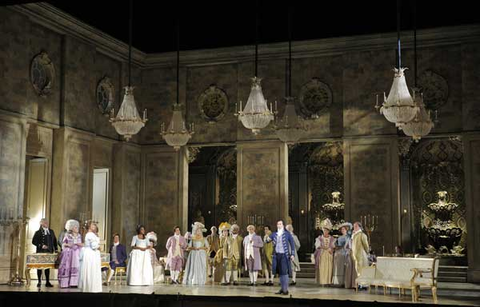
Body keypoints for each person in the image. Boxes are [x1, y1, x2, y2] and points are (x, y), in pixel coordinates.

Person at [268, 219, 295, 295]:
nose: (279, 225)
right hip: (276, 256)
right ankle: (282, 288)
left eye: (280, 224)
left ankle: (285, 290)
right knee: (280, 273)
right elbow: (266, 240)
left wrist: (292, 254)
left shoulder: (287, 234)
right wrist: (268, 238)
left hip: (284, 255)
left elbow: (292, 244)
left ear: (283, 225)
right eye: (278, 224)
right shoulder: (274, 234)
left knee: (284, 273)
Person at [32, 218, 57, 287]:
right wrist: (41, 245)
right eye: (45, 222)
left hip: (49, 252)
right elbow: (33, 241)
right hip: (41, 251)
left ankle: (47, 282)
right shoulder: (38, 232)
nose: (46, 223)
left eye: (47, 222)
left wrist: (56, 249)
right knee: (39, 267)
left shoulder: (51, 231)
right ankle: (39, 281)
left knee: (47, 267)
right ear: (41, 223)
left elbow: (54, 241)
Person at [58, 219, 83, 288]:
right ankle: (66, 283)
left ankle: (75, 283)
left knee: (77, 267)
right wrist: (69, 245)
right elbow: (63, 244)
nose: (77, 229)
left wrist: (79, 244)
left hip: (77, 253)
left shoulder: (79, 236)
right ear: (71, 228)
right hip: (69, 253)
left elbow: (81, 243)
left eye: (77, 227)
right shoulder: (67, 235)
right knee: (68, 267)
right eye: (75, 227)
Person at [79, 222, 102, 292]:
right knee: (91, 269)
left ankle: (91, 287)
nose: (94, 226)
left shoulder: (91, 234)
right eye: (93, 225)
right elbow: (94, 246)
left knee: (92, 270)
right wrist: (98, 247)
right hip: (91, 254)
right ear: (89, 227)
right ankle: (91, 287)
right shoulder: (90, 234)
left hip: (91, 253)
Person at [314, 218, 336, 286]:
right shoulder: (319, 238)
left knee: (329, 268)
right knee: (322, 268)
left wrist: (331, 249)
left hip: (329, 255)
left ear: (328, 231)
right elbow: (318, 246)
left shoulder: (332, 238)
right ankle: (322, 281)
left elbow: (334, 246)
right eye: (324, 230)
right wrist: (324, 247)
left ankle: (328, 281)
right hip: (322, 254)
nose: (325, 231)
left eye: (326, 230)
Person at [332, 222, 352, 287]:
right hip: (339, 253)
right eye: (342, 229)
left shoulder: (348, 237)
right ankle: (339, 282)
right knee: (339, 267)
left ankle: (343, 282)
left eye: (344, 229)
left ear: (346, 230)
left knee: (343, 268)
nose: (342, 230)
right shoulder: (340, 237)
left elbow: (347, 246)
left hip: (343, 253)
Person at [351, 221, 369, 290]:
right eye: (354, 226)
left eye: (356, 226)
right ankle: (360, 284)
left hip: (361, 256)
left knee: (362, 271)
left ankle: (363, 285)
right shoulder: (355, 235)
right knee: (358, 271)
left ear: (359, 227)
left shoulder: (362, 235)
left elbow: (366, 245)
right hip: (356, 256)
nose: (354, 228)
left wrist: (367, 252)